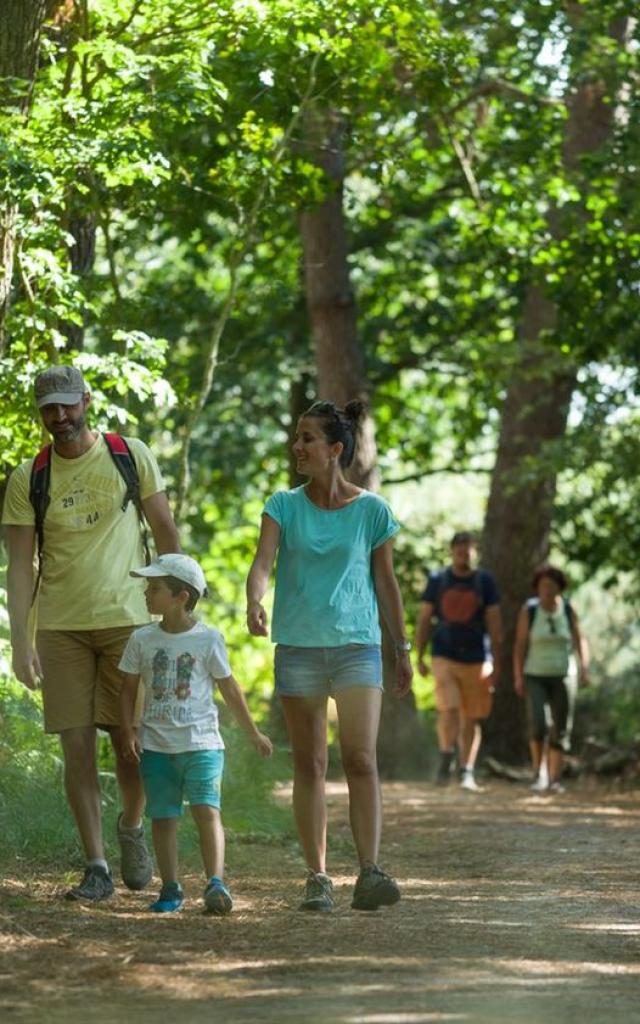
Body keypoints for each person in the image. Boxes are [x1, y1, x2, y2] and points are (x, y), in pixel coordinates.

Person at [2, 365, 181, 901]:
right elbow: (18, 565)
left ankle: (131, 825)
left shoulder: (130, 455)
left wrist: (178, 611)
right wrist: (20, 640)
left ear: (85, 400)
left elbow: (166, 530)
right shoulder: (27, 476)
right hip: (59, 628)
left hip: (128, 621)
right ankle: (96, 865)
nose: (59, 417)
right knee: (76, 749)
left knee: (130, 747)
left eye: (66, 405)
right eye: (49, 409)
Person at [246, 400, 413, 913]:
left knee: (360, 758)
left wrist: (400, 647)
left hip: (357, 648)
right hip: (299, 649)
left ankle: (369, 871)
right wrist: (253, 599)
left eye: (308, 439)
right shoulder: (283, 505)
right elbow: (263, 564)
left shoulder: (372, 511)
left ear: (336, 449)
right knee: (311, 763)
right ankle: (317, 876)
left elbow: (386, 585)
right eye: (298, 437)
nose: (298, 446)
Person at [118, 553, 272, 913]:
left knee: (206, 810)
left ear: (181, 596)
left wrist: (253, 732)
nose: (146, 594)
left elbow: (230, 689)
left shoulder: (208, 639)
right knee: (164, 816)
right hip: (156, 746)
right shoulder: (141, 638)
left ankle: (215, 883)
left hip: (202, 744)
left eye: (154, 588)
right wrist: (129, 730)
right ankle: (170, 889)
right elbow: (126, 689)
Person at [416, 531, 502, 792]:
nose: (465, 552)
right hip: (444, 653)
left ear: (476, 552)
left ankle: (466, 770)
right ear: (452, 550)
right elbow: (424, 618)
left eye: (470, 548)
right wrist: (418, 654)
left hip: (477, 657)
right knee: (449, 708)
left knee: (471, 716)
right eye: (460, 547)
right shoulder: (438, 580)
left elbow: (495, 623)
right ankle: (446, 758)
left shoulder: (485, 582)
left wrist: (497, 662)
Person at [513, 564, 589, 794]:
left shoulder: (568, 609)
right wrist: (518, 675)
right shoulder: (530, 610)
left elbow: (579, 640)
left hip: (565, 675)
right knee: (538, 723)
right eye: (543, 585)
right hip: (534, 674)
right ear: (537, 588)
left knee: (561, 727)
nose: (547, 589)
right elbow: (520, 645)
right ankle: (539, 773)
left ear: (559, 588)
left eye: (552, 585)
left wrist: (585, 668)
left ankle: (556, 778)